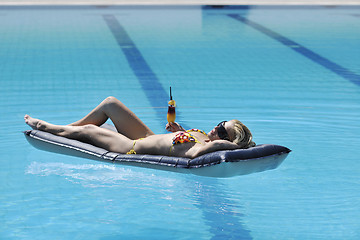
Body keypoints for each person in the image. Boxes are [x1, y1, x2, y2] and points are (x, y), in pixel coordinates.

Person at [24, 96, 255, 159]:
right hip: (148, 137)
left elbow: (196, 151)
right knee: (110, 104)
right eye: (220, 124)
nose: (217, 129)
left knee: (89, 132)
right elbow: (182, 142)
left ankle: (48, 127)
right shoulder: (204, 138)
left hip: (132, 147)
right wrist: (179, 131)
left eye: (223, 132)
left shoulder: (203, 149)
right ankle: (65, 129)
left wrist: (229, 145)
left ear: (228, 141)